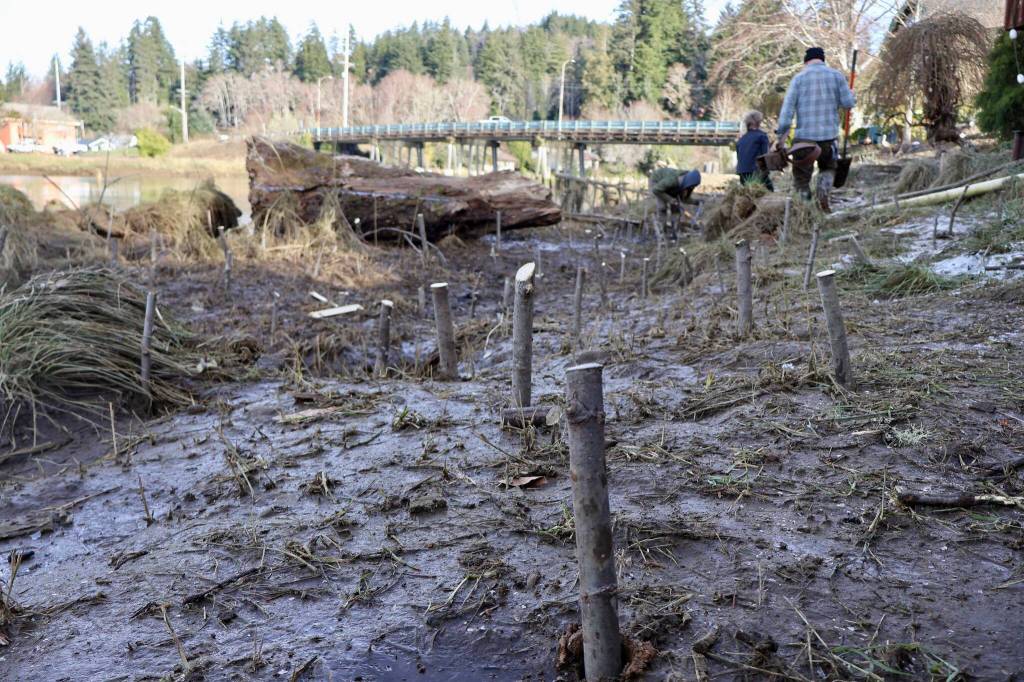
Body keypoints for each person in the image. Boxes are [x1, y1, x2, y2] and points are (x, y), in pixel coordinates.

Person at [775, 46, 855, 212]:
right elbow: (848, 104)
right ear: (822, 60)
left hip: (804, 141)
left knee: (802, 179)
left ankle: (805, 212)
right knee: (828, 168)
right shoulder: (836, 76)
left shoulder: (798, 79)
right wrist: (849, 94)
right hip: (829, 139)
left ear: (806, 62)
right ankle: (822, 196)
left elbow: (787, 112)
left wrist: (781, 136)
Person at [648, 166, 701, 236]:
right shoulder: (673, 180)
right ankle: (662, 231)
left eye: (693, 187)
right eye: (691, 187)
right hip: (657, 182)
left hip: (669, 186)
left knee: (676, 208)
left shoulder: (689, 184)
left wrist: (696, 202)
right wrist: (670, 199)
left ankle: (675, 231)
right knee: (662, 207)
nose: (691, 188)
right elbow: (656, 190)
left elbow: (684, 199)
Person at [736, 110, 774, 191]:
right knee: (771, 191)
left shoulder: (741, 139)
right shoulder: (762, 136)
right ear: (758, 122)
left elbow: (740, 158)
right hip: (755, 172)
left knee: (748, 196)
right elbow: (765, 157)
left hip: (742, 173)